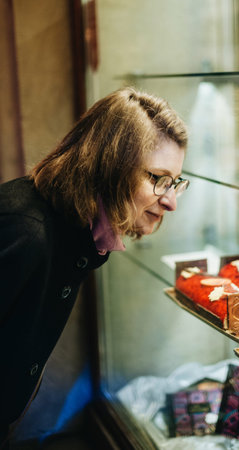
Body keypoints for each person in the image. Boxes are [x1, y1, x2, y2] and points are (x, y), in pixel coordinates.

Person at [0, 86, 189, 446]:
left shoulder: (77, 231)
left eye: (176, 183)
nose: (170, 202)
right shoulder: (26, 231)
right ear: (109, 167)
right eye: (157, 179)